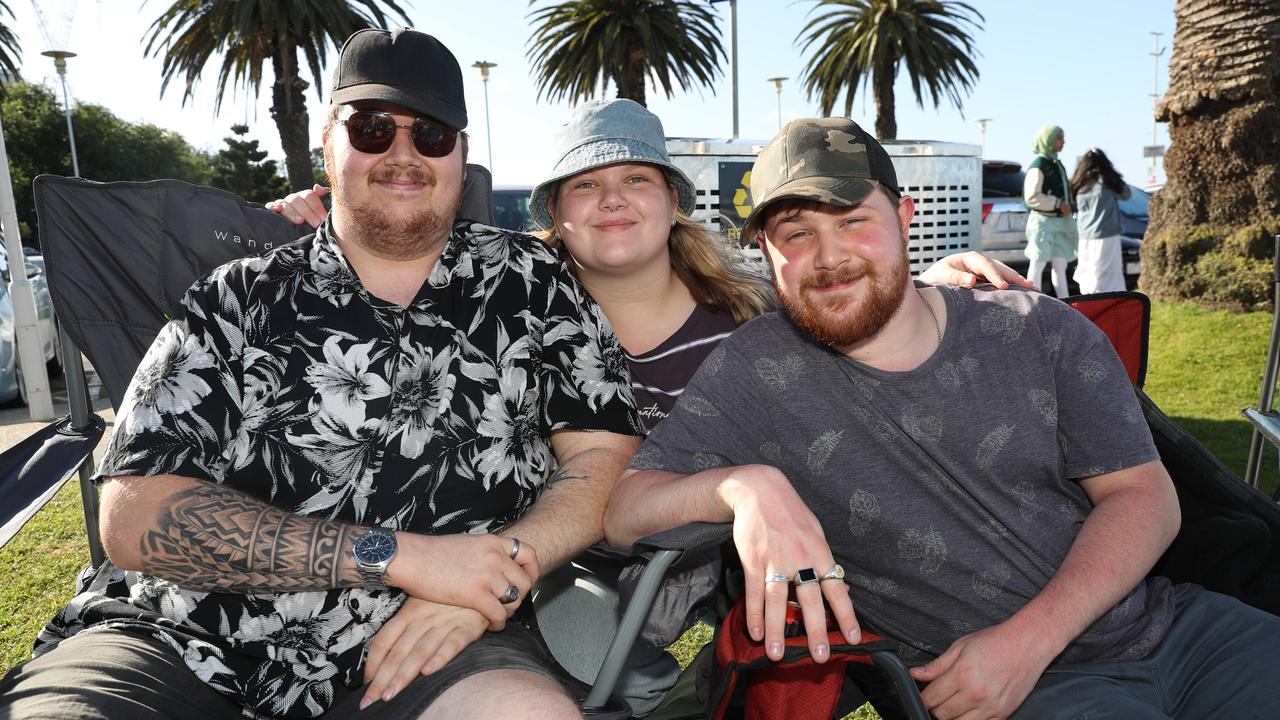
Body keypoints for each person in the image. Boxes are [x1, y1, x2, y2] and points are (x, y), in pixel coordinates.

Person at [270, 97, 1029, 715]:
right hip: (539, 562)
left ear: (673, 202)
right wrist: (329, 211)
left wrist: (934, 275)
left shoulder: (751, 318)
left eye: (636, 179)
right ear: (556, 213)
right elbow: (392, 250)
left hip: (680, 566)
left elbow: (848, 290)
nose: (612, 201)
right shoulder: (503, 309)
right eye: (586, 185)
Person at [0, 27, 645, 720]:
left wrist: (497, 572)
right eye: (371, 129)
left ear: (462, 154)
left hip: (427, 639)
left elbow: (601, 454)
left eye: (431, 135)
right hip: (178, 636)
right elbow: (134, 516)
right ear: (327, 143)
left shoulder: (532, 281)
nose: (403, 154)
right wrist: (397, 555)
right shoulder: (235, 297)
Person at [604, 117, 1280, 719]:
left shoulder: (1038, 329)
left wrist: (1029, 641)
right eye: (797, 234)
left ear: (904, 217)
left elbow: (1143, 495)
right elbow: (626, 508)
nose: (830, 256)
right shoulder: (758, 371)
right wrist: (743, 488)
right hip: (1011, 693)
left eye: (852, 221)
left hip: (1186, 632)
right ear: (766, 252)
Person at [1023, 124, 1077, 297]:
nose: (1063, 142)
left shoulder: (1056, 164)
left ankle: (1065, 302)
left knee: (1060, 265)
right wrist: (1057, 203)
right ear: (1049, 140)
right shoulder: (1039, 165)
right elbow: (1031, 197)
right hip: (1043, 224)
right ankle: (1033, 300)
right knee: (1038, 263)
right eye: (1059, 138)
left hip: (1060, 223)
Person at [1070, 148, 1132, 294]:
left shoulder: (1079, 183)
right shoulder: (1106, 181)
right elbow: (1126, 194)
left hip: (1085, 237)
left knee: (1088, 275)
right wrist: (1112, 173)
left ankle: (1089, 306)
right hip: (1106, 235)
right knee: (1107, 277)